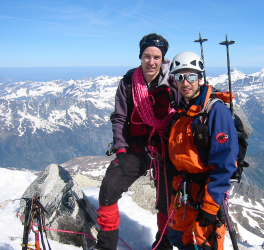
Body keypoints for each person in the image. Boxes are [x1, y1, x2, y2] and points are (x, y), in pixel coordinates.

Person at [94, 33, 179, 250]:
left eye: (157, 57)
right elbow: (120, 117)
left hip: (165, 147)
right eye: (147, 56)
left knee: (168, 198)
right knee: (109, 186)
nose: (151, 62)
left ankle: (163, 244)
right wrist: (121, 149)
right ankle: (106, 246)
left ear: (163, 59)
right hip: (137, 148)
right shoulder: (128, 83)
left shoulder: (173, 82)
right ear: (140, 56)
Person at [166, 51, 239, 250]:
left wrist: (211, 203)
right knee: (177, 236)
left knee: (208, 243)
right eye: (179, 77)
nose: (185, 82)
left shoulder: (215, 111)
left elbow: (225, 162)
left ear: (200, 78)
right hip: (182, 189)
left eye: (191, 76)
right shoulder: (181, 111)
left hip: (207, 191)